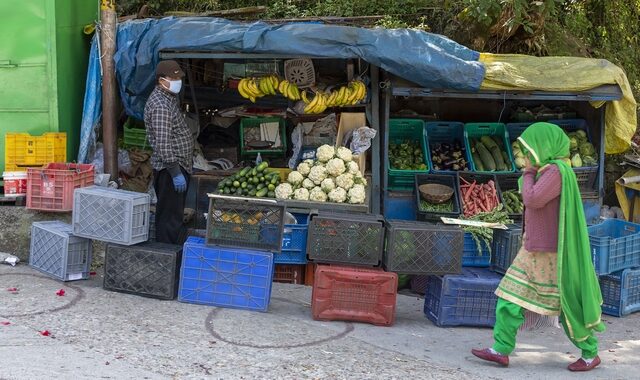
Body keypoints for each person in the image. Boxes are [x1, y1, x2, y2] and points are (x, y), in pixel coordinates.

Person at [471, 122, 605, 372]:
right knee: (509, 297)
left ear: (545, 147)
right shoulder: (551, 170)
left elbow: (532, 199)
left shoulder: (555, 171)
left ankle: (590, 353)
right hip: (535, 249)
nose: (526, 156)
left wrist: (528, 172)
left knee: (564, 305)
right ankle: (501, 349)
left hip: (549, 254)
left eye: (530, 150)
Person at [144, 60, 194, 244]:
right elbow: (163, 142)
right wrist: (175, 172)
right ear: (161, 80)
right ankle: (167, 255)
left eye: (178, 77)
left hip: (177, 166)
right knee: (169, 218)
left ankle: (170, 251)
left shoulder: (168, 98)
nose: (177, 81)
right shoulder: (160, 106)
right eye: (173, 78)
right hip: (170, 170)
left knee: (172, 214)